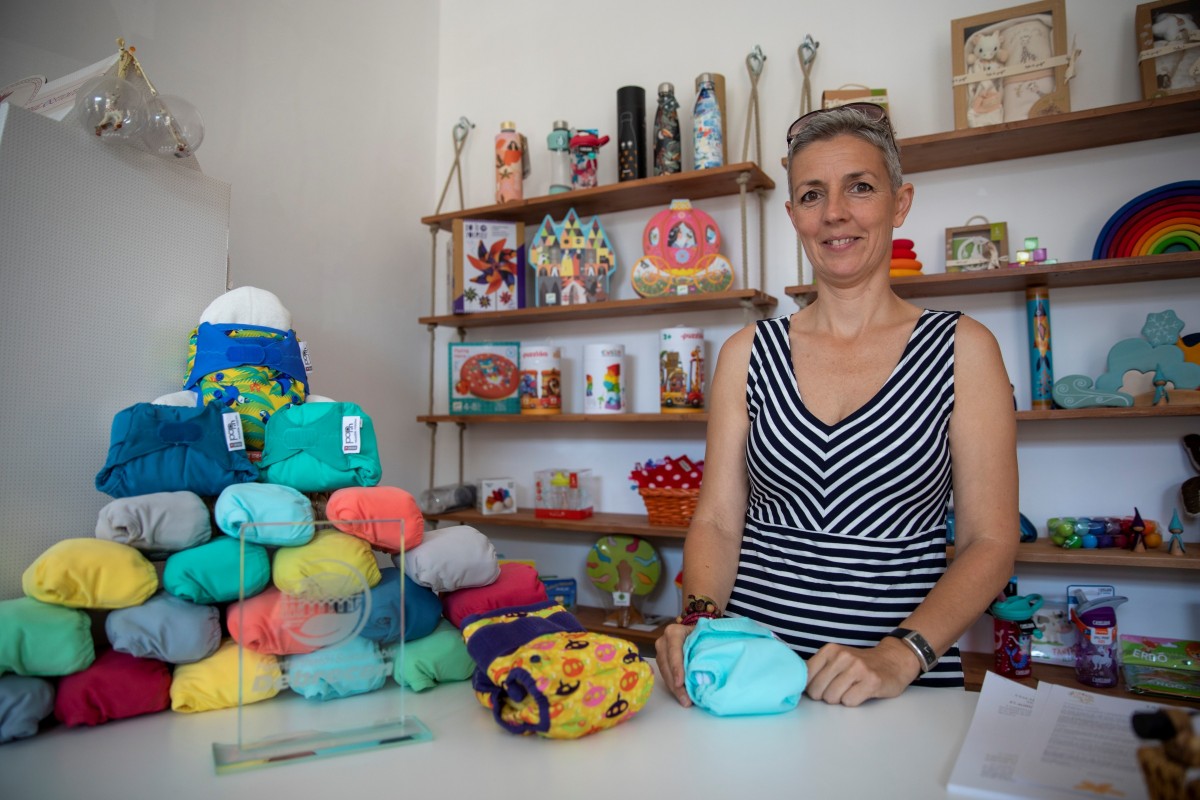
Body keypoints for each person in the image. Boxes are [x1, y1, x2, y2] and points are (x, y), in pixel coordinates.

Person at [655, 103, 1018, 708]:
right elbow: (717, 520)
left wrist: (899, 656)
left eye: (861, 187)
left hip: (900, 693)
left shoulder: (963, 349)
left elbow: (990, 539)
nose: (834, 214)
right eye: (812, 195)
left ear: (900, 202)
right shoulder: (747, 352)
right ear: (794, 215)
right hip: (748, 680)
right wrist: (699, 621)